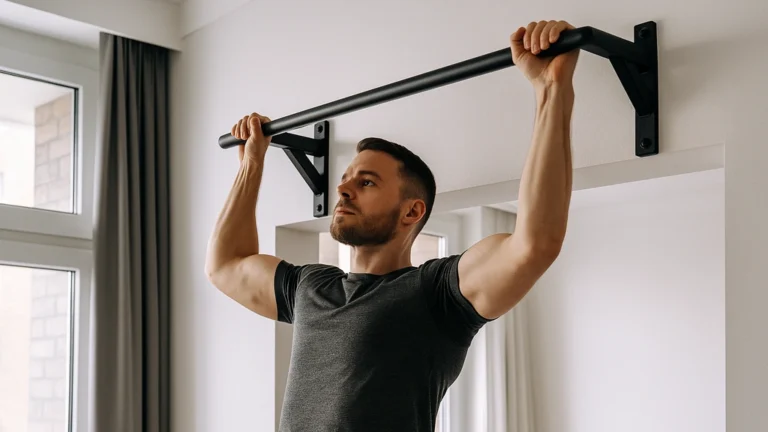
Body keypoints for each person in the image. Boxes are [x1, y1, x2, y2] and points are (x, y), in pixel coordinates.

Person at [205, 19, 577, 432]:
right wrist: (251, 164)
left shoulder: (434, 295)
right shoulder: (311, 288)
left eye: (366, 182)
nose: (343, 189)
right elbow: (225, 265)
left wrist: (551, 89)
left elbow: (534, 243)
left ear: (411, 213)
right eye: (346, 179)